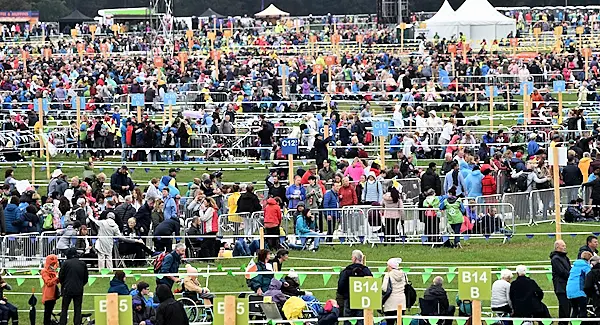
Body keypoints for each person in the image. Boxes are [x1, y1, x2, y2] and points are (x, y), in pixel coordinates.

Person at [336, 250, 372, 325]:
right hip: (363, 299)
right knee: (361, 319)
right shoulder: (366, 271)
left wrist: (344, 294)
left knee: (348, 320)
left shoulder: (346, 271)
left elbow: (340, 285)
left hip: (349, 299)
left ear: (354, 258)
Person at [58, 247, 89, 325]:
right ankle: (77, 323)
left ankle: (62, 323)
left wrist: (64, 284)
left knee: (64, 308)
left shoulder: (65, 263)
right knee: (78, 308)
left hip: (67, 288)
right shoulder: (82, 264)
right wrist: (81, 285)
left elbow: (61, 276)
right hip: (78, 289)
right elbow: (86, 278)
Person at [550, 239, 571, 325]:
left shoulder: (565, 257)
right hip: (560, 286)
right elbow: (561, 272)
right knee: (564, 307)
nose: (564, 247)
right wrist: (571, 275)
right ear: (557, 247)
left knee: (566, 307)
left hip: (566, 285)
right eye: (563, 246)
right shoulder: (555, 259)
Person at [567, 251, 592, 318]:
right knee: (583, 310)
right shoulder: (586, 267)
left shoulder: (574, 266)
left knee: (575, 310)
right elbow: (589, 278)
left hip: (570, 291)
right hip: (580, 291)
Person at [382, 258, 406, 325]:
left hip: (390, 303)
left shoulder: (388, 275)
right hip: (401, 302)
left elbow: (384, 288)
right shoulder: (403, 274)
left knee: (390, 322)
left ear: (391, 266)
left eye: (388, 265)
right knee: (400, 322)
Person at [41, 254, 60, 325]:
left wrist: (58, 277)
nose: (54, 265)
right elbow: (48, 282)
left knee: (50, 312)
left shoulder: (54, 271)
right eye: (53, 264)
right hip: (48, 295)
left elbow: (56, 282)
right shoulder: (44, 271)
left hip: (54, 294)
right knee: (47, 314)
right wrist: (56, 277)